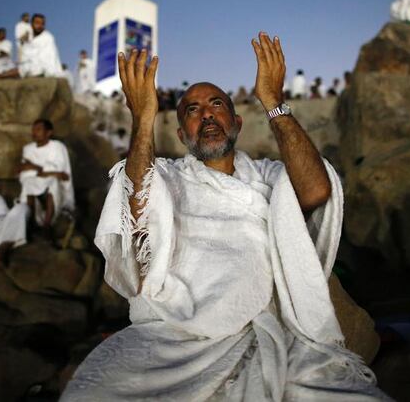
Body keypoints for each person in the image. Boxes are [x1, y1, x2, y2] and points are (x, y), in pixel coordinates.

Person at [62, 32, 386, 400]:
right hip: (174, 335)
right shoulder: (165, 177)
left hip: (263, 327)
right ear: (182, 135)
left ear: (236, 123)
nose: (207, 114)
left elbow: (315, 190)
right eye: (193, 110)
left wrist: (273, 102)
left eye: (217, 105)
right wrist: (143, 118)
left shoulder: (268, 176)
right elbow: (134, 216)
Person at [19, 119, 74, 236]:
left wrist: (37, 168)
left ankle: (47, 224)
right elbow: (25, 171)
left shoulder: (58, 147)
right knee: (28, 182)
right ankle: (31, 222)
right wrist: (45, 170)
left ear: (49, 132)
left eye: (38, 129)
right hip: (35, 180)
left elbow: (61, 172)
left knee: (53, 182)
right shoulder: (28, 149)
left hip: (56, 184)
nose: (34, 132)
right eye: (33, 129)